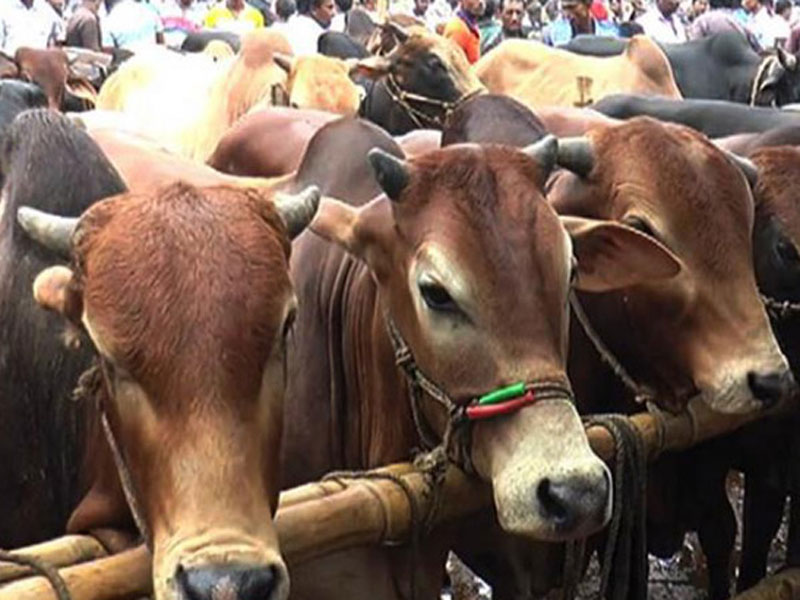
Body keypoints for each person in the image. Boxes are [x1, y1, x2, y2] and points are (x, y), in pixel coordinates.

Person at [688, 0, 759, 48]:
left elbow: (695, 47)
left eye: (705, 4)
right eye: (700, 3)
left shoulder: (701, 21)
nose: (702, 7)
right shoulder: (734, 17)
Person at [541, 0, 618, 45]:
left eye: (572, 7)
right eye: (564, 8)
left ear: (588, 4)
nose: (567, 13)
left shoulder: (611, 33)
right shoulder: (552, 34)